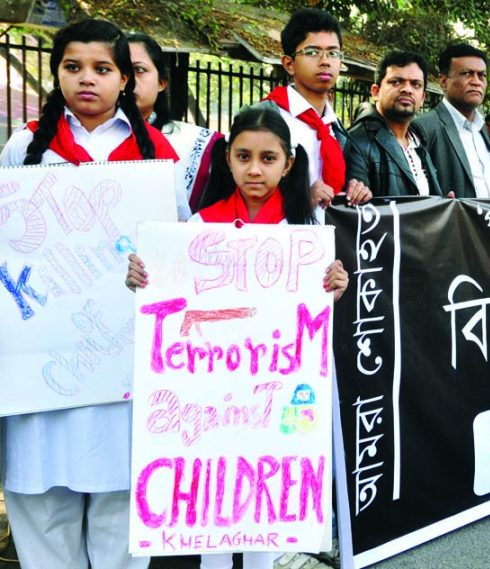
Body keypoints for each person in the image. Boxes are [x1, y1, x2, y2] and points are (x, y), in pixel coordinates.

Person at [125, 106, 368, 569]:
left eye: (268, 158)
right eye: (243, 156)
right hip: (212, 397)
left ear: (289, 163)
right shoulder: (196, 229)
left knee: (266, 513)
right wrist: (143, 277)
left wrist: (336, 287)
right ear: (227, 159)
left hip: (276, 395)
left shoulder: (307, 234)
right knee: (214, 511)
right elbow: (168, 302)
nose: (254, 169)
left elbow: (311, 316)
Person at [0, 19, 183, 569]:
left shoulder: (158, 154)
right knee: (40, 499)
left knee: (120, 502)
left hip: (124, 362)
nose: (87, 80)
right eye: (72, 67)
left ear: (125, 79)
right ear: (56, 73)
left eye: (102, 69)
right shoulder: (25, 146)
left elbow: (184, 242)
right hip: (40, 364)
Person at [264, 8, 368, 207]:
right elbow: (242, 185)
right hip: (279, 234)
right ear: (289, 64)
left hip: (331, 234)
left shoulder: (336, 128)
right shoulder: (265, 117)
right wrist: (300, 196)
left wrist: (357, 189)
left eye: (333, 53)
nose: (325, 62)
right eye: (312, 52)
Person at [127, 32, 223, 212]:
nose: (128, 80)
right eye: (119, 70)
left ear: (162, 83)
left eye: (139, 70)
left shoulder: (199, 143)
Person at [344, 50, 443, 197]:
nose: (407, 89)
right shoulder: (357, 142)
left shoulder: (419, 143)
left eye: (415, 84)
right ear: (375, 92)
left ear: (422, 98)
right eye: (396, 82)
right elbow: (357, 211)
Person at [414, 43, 490, 198]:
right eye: (467, 74)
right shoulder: (424, 128)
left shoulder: (481, 128)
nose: (476, 82)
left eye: (482, 75)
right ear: (443, 82)